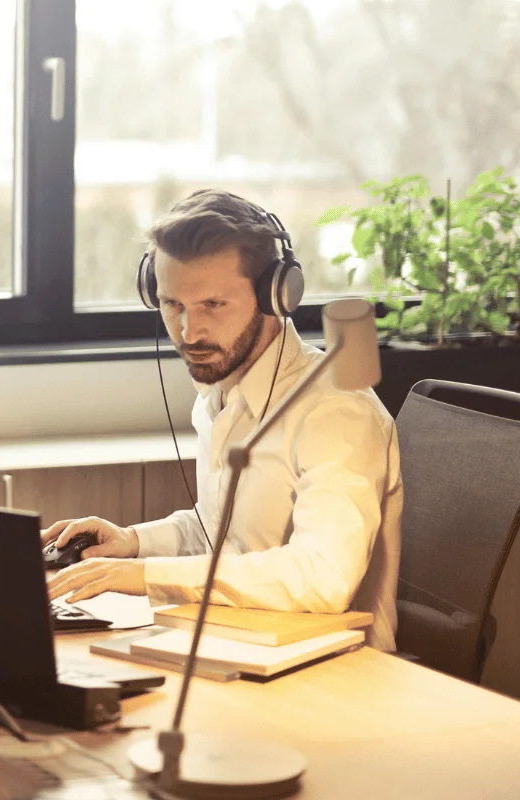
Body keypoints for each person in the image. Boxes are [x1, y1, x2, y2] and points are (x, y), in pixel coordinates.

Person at [43, 189, 402, 651]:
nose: (189, 333)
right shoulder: (220, 392)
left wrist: (145, 576)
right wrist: (132, 543)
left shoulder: (336, 410)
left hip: (334, 671)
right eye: (173, 305)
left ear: (276, 295)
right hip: (235, 641)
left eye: (213, 305)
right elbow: (223, 535)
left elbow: (323, 578)